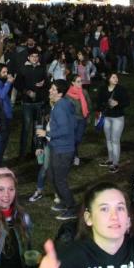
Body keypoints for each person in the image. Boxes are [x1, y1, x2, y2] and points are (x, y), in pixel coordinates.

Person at [41, 78, 77, 221]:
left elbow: (66, 129)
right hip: (57, 147)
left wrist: (47, 134)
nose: (50, 90)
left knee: (60, 179)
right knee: (51, 174)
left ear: (60, 94)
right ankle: (63, 201)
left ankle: (72, 208)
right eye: (51, 88)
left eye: (53, 89)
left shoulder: (61, 106)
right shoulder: (61, 104)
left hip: (63, 149)